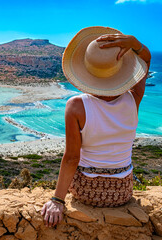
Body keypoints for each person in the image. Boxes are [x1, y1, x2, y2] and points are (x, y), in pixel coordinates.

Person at [41, 26, 151, 228]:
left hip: (87, 191)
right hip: (123, 191)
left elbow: (72, 157)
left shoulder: (76, 106)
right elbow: (145, 61)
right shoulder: (134, 99)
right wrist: (135, 44)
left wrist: (57, 200)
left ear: (85, 70)